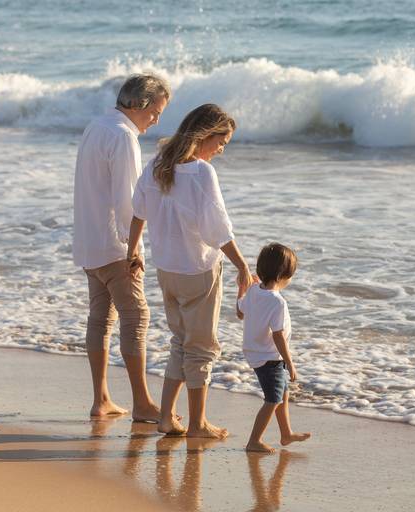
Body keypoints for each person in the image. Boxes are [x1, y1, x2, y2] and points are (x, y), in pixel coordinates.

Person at [127, 103, 254, 438]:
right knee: (200, 348)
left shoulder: (157, 163)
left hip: (166, 268)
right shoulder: (200, 172)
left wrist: (132, 252)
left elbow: (138, 210)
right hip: (198, 270)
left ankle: (167, 417)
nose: (221, 150)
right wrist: (242, 264)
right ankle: (197, 424)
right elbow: (217, 228)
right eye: (221, 142)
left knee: (180, 342)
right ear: (204, 136)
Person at [73, 73, 170, 421]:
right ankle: (143, 404)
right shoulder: (124, 136)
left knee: (100, 319)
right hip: (115, 246)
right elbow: (128, 201)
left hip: (88, 240)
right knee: (137, 316)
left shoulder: (96, 126)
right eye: (156, 111)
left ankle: (101, 400)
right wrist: (134, 248)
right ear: (139, 105)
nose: (157, 119)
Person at [237, 243, 311, 453]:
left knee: (283, 394)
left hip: (256, 353)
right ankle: (254, 441)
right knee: (272, 399)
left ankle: (286, 434)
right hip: (270, 357)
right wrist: (289, 362)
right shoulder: (277, 302)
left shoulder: (253, 291)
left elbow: (240, 312)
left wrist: (241, 288)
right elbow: (278, 336)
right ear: (284, 275)